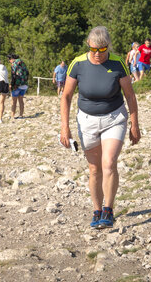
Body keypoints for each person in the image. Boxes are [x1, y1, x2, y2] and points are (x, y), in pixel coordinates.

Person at [59, 26, 141, 230]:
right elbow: (66, 96)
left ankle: (108, 209)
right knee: (94, 169)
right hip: (87, 120)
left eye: (102, 50)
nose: (98, 54)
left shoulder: (118, 63)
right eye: (94, 50)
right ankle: (97, 210)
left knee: (109, 163)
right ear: (89, 46)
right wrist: (64, 128)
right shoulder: (77, 64)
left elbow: (130, 95)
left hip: (114, 117)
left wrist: (135, 124)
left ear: (108, 48)